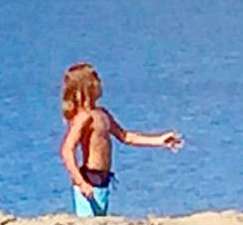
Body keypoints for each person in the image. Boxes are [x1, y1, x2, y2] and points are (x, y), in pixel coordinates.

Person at [59, 63, 183, 216]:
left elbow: (125, 136)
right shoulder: (84, 117)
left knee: (100, 219)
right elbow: (67, 150)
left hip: (103, 178)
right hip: (89, 177)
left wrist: (159, 140)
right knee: (89, 222)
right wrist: (81, 182)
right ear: (87, 85)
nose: (100, 83)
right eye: (95, 79)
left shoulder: (102, 113)